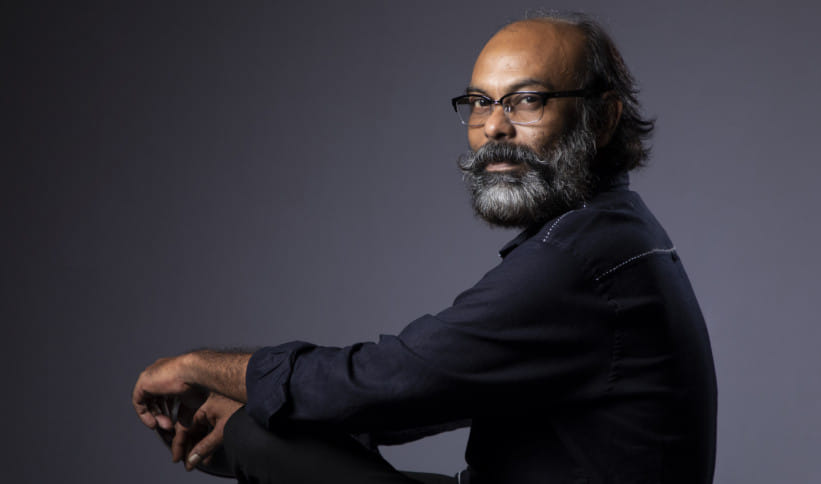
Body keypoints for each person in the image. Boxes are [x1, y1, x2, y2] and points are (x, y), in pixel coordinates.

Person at [133, 12, 717, 484]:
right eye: (480, 102)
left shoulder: (577, 261)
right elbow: (433, 393)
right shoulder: (612, 233)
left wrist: (204, 371)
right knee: (271, 429)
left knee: (260, 436)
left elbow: (390, 381)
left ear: (604, 118)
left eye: (526, 100)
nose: (494, 127)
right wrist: (264, 409)